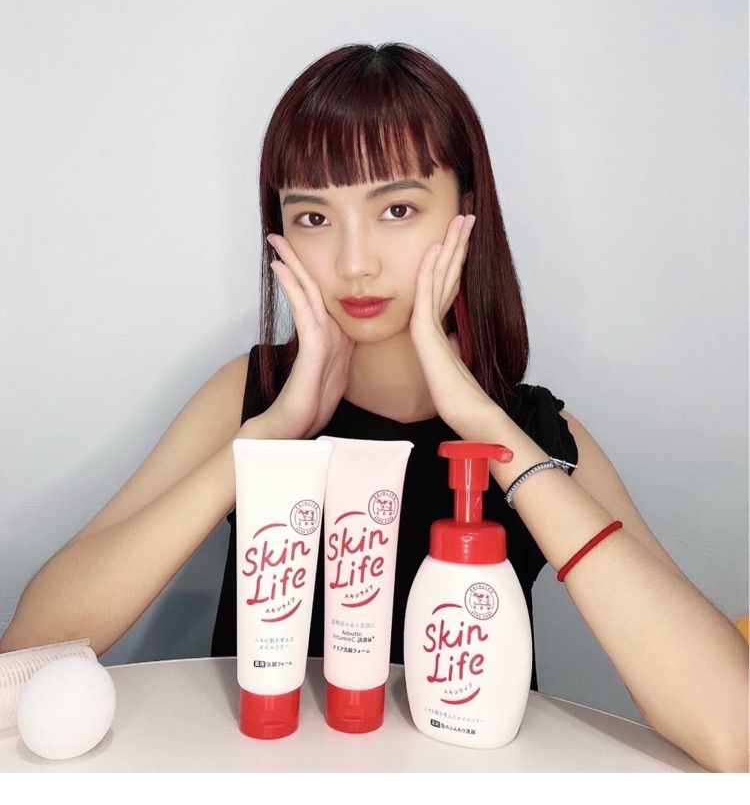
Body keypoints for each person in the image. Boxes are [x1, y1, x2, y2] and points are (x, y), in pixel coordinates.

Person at [1, 43, 747, 772]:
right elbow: (32, 647)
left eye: (396, 208)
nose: (354, 262)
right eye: (314, 218)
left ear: (467, 209)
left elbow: (735, 731)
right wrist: (269, 437)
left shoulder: (538, 432)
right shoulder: (250, 396)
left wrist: (488, 427)